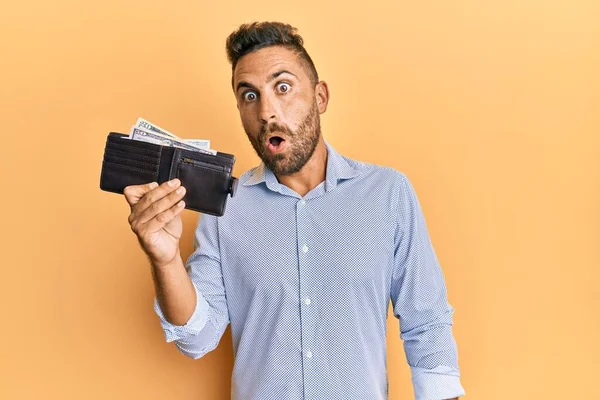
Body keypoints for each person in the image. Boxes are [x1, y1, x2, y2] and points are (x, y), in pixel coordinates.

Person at [123, 21, 465, 400]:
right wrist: (165, 258)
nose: (267, 111)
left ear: (320, 97)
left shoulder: (387, 194)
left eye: (282, 87)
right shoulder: (225, 209)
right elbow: (197, 339)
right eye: (249, 96)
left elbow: (427, 322)